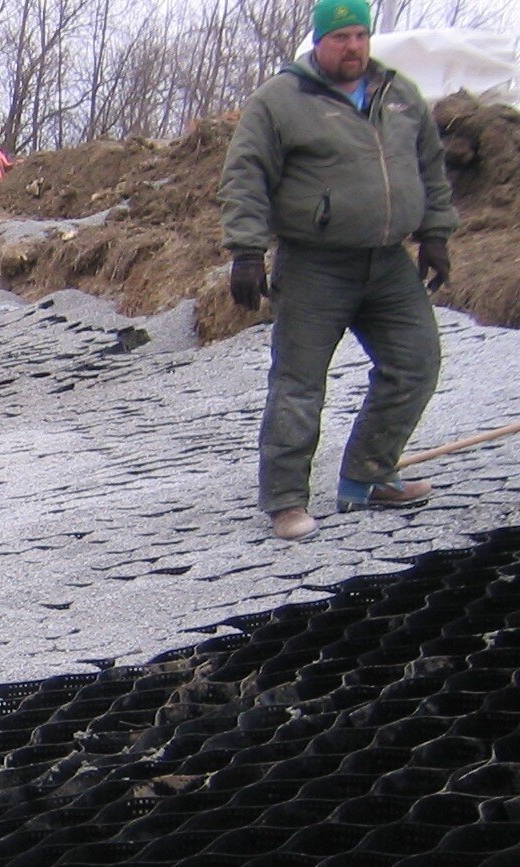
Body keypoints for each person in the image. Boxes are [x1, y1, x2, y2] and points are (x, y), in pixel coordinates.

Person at [218, 0, 458, 541]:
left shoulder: (398, 94)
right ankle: (285, 500)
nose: (353, 46)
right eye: (340, 37)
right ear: (318, 42)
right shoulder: (281, 100)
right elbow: (245, 176)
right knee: (299, 385)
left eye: (360, 35)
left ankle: (369, 477)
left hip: (388, 261)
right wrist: (247, 251)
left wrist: (436, 234)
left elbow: (430, 166)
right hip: (314, 265)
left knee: (415, 362)